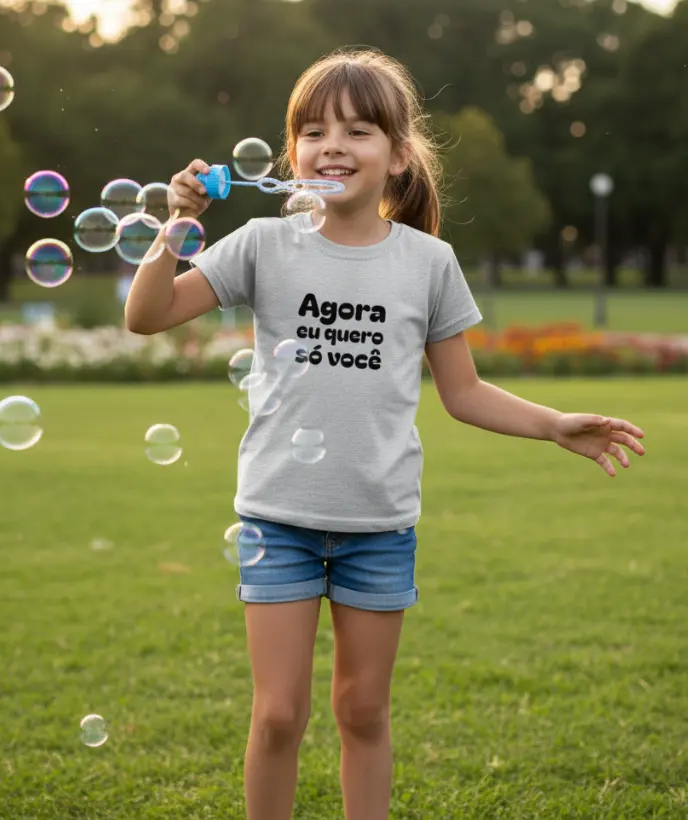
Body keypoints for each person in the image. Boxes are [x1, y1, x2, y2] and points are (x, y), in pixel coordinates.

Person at [125, 47, 646, 820]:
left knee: (362, 713)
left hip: (378, 524)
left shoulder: (428, 263)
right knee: (277, 716)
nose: (333, 145)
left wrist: (554, 425)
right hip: (278, 516)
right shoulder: (266, 245)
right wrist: (178, 226)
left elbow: (463, 393)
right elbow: (146, 317)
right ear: (291, 153)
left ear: (399, 155)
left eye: (359, 130)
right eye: (314, 131)